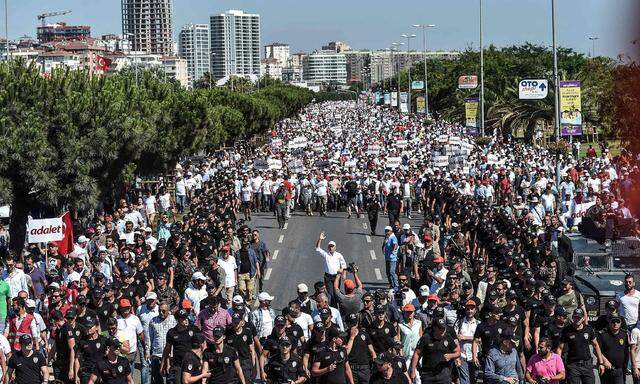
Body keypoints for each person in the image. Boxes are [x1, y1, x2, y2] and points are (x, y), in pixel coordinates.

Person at [557, 308, 605, 384]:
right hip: (573, 365)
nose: (577, 319)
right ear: (572, 317)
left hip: (587, 365)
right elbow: (560, 348)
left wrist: (601, 363)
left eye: (579, 318)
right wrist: (558, 365)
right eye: (575, 317)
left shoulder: (589, 329)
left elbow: (596, 345)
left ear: (583, 318)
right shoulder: (566, 330)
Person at [409, 317, 460, 384]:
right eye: (440, 328)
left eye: (444, 328)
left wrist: (451, 356)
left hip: (443, 373)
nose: (443, 330)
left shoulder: (448, 337)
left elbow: (458, 352)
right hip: (428, 374)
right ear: (435, 328)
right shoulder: (426, 338)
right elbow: (417, 353)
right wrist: (413, 371)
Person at [162, 308, 199, 384]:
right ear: (177, 320)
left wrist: (201, 361)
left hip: (191, 363)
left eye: (186, 317)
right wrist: (163, 364)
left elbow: (201, 345)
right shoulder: (171, 332)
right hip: (178, 364)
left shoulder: (194, 329)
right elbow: (167, 349)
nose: (186, 320)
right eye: (183, 318)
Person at [344, 312, 376, 384]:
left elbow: (371, 350)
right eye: (351, 323)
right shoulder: (345, 336)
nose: (353, 326)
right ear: (347, 324)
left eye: (355, 323)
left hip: (364, 368)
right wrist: (351, 337)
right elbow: (346, 352)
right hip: (351, 368)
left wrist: (374, 358)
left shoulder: (364, 334)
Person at [316, 232, 347, 306]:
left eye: (332, 246)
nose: (331, 247)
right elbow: (317, 248)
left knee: (336, 292)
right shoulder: (326, 254)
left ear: (335, 247)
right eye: (329, 246)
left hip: (336, 277)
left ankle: (335, 306)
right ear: (328, 247)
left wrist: (344, 274)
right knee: (330, 293)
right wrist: (320, 239)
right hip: (328, 277)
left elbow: (344, 265)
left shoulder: (339, 255)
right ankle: (334, 306)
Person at [596, 314, 629, 384]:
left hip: (619, 370)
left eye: (617, 321)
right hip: (605, 369)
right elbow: (596, 350)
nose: (615, 323)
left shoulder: (624, 334)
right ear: (609, 322)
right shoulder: (602, 334)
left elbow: (627, 352)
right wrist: (604, 361)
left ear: (621, 323)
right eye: (613, 321)